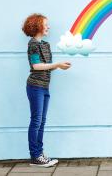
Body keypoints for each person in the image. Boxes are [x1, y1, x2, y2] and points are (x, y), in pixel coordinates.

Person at [22, 13, 71, 167]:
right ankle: (35, 156)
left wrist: (59, 66)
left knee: (41, 121)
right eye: (46, 24)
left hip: (44, 86)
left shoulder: (45, 45)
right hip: (35, 86)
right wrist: (57, 65)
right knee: (36, 121)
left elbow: (46, 67)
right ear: (37, 26)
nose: (48, 27)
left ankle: (39, 153)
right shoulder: (33, 44)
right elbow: (36, 66)